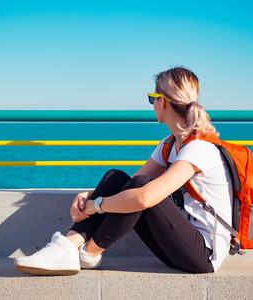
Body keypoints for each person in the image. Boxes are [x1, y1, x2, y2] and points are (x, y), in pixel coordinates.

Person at [14, 67, 233, 275]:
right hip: (175, 244)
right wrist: (89, 196)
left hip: (203, 255)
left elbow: (144, 197)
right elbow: (129, 183)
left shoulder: (199, 148)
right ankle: (71, 248)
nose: (152, 104)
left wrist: (95, 206)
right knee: (116, 177)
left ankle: (86, 254)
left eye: (152, 98)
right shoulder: (168, 145)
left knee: (140, 189)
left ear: (163, 102)